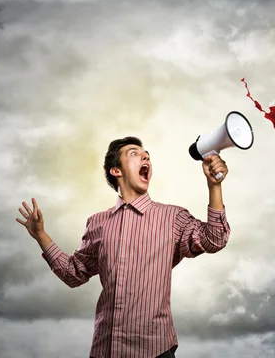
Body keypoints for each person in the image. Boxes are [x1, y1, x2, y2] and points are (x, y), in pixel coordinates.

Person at [15, 136, 231, 358]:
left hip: (155, 351)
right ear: (115, 171)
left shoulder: (173, 218)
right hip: (105, 350)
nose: (145, 155)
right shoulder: (97, 223)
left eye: (146, 154)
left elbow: (214, 239)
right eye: (134, 153)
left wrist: (214, 186)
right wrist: (40, 234)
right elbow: (73, 274)